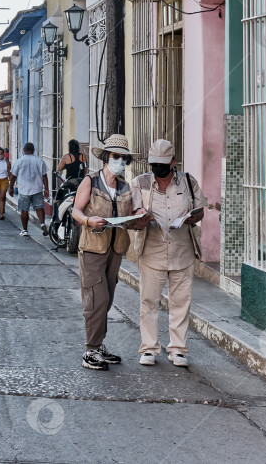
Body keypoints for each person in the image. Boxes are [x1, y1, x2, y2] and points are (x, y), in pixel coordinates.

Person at [131, 139, 206, 368]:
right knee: (148, 301)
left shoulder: (188, 182)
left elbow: (200, 210)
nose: (158, 170)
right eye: (154, 164)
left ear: (174, 161)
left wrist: (194, 216)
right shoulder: (140, 183)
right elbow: (133, 214)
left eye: (163, 164)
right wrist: (140, 217)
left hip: (182, 250)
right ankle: (149, 348)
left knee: (181, 302)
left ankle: (178, 349)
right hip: (152, 251)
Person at [71, 134, 136, 371]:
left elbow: (128, 215)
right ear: (107, 158)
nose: (119, 161)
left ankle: (99, 346)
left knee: (106, 298)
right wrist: (88, 220)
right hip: (92, 249)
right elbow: (76, 211)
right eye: (115, 156)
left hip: (115, 248)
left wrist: (139, 217)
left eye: (123, 158)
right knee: (96, 299)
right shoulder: (91, 181)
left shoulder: (125, 186)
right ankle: (91, 350)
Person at [9, 142, 50, 237]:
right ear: (33, 151)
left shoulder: (19, 161)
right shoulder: (39, 161)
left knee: (24, 210)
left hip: (24, 189)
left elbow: (13, 176)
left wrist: (11, 187)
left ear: (24, 150)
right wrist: (46, 188)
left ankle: (25, 230)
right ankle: (43, 223)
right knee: (39, 207)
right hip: (37, 188)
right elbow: (44, 176)